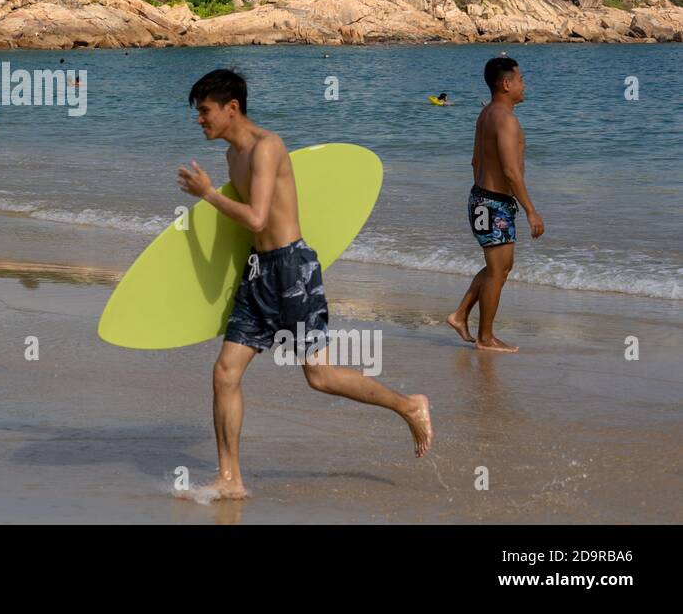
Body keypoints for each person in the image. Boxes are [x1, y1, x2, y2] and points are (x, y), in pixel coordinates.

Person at [177, 69, 432, 501]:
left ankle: (409, 405)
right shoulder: (231, 157)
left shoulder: (267, 147)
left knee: (320, 377)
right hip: (257, 271)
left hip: (292, 270)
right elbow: (250, 230)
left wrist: (207, 195)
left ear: (231, 108)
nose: (199, 120)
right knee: (224, 373)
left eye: (204, 111)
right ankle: (230, 479)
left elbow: (257, 217)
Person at [447, 57, 544, 353]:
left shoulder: (487, 114)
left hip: (482, 199)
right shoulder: (506, 120)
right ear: (506, 84)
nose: (524, 84)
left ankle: (460, 315)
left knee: (499, 268)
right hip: (493, 205)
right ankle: (485, 338)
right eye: (520, 79)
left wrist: (484, 195)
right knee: (498, 270)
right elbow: (511, 170)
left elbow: (475, 160)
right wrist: (530, 210)